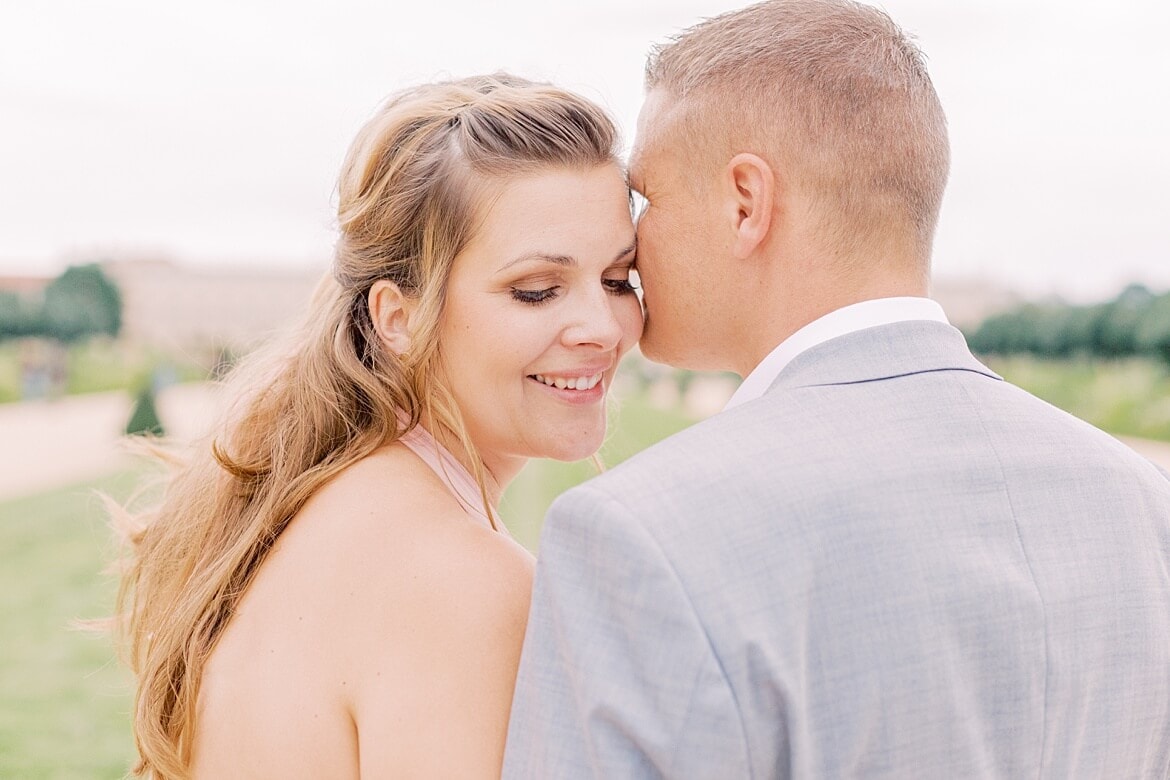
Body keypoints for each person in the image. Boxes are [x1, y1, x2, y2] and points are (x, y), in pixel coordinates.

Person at [503, 1, 1170, 777]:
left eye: (647, 197)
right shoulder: (1142, 502)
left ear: (745, 203)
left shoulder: (636, 535)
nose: (631, 238)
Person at [113, 74, 643, 779]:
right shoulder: (464, 586)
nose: (602, 327)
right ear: (398, 317)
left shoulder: (314, 501)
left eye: (617, 278)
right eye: (537, 290)